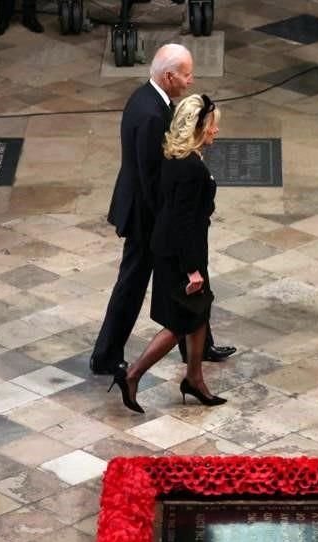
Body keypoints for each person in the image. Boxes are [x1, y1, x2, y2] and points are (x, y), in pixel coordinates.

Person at [90, 44, 234, 377]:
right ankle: (106, 356)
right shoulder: (152, 114)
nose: (190, 80)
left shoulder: (147, 99)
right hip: (146, 217)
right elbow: (151, 177)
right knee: (136, 285)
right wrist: (171, 225)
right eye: (186, 75)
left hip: (149, 213)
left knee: (187, 281)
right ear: (169, 76)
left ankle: (198, 346)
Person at [110, 94, 226, 413]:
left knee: (199, 312)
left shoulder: (176, 157)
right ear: (198, 128)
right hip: (181, 256)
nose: (216, 131)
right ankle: (132, 375)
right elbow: (183, 222)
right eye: (212, 125)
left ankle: (195, 378)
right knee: (179, 323)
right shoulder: (191, 170)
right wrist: (192, 269)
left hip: (173, 248)